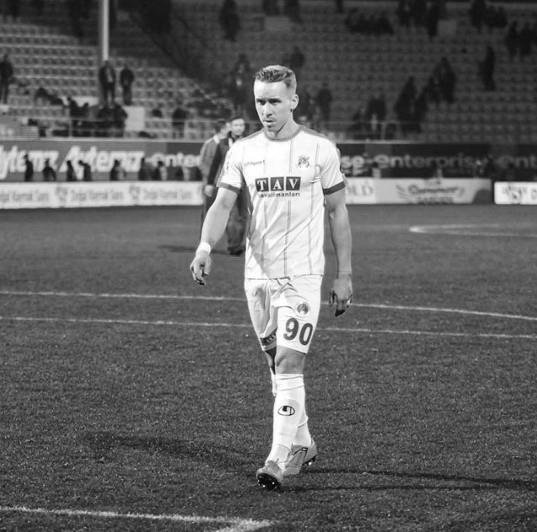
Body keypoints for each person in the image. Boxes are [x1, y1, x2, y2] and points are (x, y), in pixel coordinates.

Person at [189, 65, 353, 490]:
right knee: (274, 365)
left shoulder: (320, 149)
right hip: (257, 276)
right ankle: (303, 442)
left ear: (293, 100)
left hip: (302, 275)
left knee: (288, 362)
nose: (266, 109)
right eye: (260, 101)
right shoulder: (243, 150)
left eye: (274, 101)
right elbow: (222, 205)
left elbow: (338, 212)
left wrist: (344, 274)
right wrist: (204, 247)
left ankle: (277, 458)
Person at [206, 115, 247, 255]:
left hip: (246, 184)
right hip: (229, 183)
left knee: (243, 216)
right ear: (230, 127)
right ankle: (234, 245)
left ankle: (238, 243)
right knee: (232, 215)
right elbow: (215, 164)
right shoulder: (223, 144)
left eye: (241, 125)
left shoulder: (250, 143)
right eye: (236, 125)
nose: (239, 128)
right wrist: (209, 183)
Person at [199, 119, 229, 224]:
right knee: (208, 210)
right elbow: (201, 163)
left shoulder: (228, 143)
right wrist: (210, 178)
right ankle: (204, 232)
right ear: (222, 129)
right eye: (227, 128)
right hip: (211, 182)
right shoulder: (209, 144)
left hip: (224, 182)